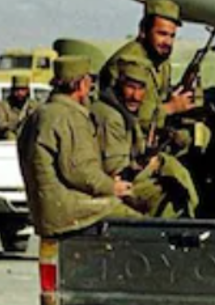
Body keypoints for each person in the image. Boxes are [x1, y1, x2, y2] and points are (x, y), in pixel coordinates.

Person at [18, 56, 141, 238]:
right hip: (73, 211)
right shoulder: (69, 117)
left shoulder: (41, 113)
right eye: (88, 79)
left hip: (48, 209)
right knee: (143, 226)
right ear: (81, 84)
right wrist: (112, 187)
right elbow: (80, 171)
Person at [92, 58, 199, 219]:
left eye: (141, 88)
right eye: (130, 87)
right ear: (118, 86)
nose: (136, 96)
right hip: (113, 190)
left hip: (118, 183)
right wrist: (151, 166)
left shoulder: (124, 112)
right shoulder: (111, 117)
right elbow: (117, 174)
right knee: (170, 196)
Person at [99, 0, 195, 134]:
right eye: (162, 34)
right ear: (143, 31)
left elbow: (159, 98)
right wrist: (171, 107)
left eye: (172, 36)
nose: (167, 42)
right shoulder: (131, 62)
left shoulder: (161, 60)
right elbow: (136, 117)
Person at [0, 74, 39, 140]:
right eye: (17, 90)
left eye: (23, 90)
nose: (20, 93)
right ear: (12, 90)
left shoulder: (34, 105)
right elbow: (0, 124)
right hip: (11, 136)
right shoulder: (2, 105)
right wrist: (16, 124)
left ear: (28, 91)